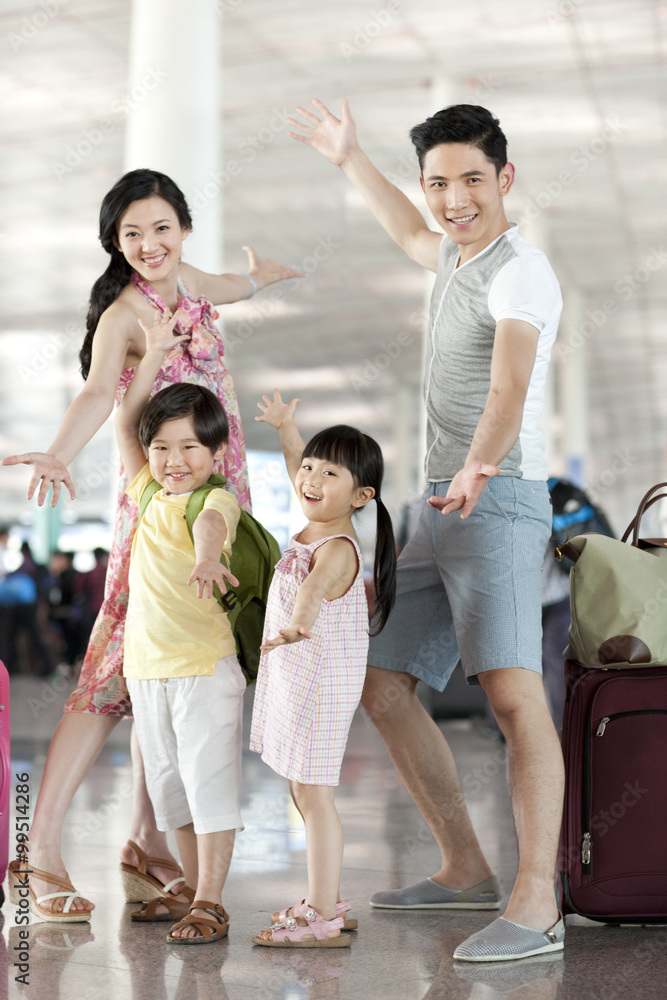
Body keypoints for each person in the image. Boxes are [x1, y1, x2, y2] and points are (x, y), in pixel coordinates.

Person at [289, 100, 565, 961]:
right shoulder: (450, 254)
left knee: (514, 698)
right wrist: (348, 158)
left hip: (502, 496)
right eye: (439, 182)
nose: (453, 199)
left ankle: (535, 902)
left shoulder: (522, 271)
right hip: (436, 505)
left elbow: (509, 386)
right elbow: (408, 232)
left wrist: (482, 461)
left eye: (470, 180)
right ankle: (463, 867)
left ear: (504, 179)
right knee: (380, 678)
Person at [2, 168, 301, 919]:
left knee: (166, 677)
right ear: (114, 242)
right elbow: (100, 392)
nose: (148, 244)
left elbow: (228, 285)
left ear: (184, 228)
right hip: (161, 513)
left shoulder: (191, 280)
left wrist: (258, 278)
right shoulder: (125, 314)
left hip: (219, 504)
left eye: (161, 228)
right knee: (113, 673)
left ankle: (146, 846)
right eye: (130, 234)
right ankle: (33, 854)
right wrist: (61, 454)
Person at [250, 390, 396, 947]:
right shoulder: (318, 516)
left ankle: (322, 916)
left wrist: (297, 623)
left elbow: (312, 591)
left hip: (315, 683)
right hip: (301, 679)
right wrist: (289, 431)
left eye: (328, 472)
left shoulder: (337, 548)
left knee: (314, 796)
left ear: (361, 494)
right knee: (302, 791)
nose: (310, 477)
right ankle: (327, 899)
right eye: (310, 466)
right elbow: (297, 468)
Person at [115, 313, 244, 944]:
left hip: (204, 667)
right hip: (148, 669)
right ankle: (195, 888)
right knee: (171, 791)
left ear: (216, 453)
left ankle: (212, 902)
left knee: (209, 781)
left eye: (190, 446)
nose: (173, 459)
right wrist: (154, 355)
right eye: (162, 446)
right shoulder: (144, 489)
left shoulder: (214, 499)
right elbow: (122, 424)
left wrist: (205, 557)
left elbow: (213, 529)